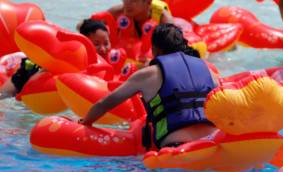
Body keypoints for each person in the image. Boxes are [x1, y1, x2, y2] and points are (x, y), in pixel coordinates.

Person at [80, 23, 218, 149]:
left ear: (155, 50)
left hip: (177, 147)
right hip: (213, 143)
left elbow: (105, 103)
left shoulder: (148, 74)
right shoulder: (209, 71)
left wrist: (85, 122)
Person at [0, 19, 112, 100]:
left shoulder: (111, 61)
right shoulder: (71, 58)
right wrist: (23, 94)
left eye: (106, 43)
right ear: (83, 41)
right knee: (3, 96)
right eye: (96, 44)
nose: (103, 49)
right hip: (33, 71)